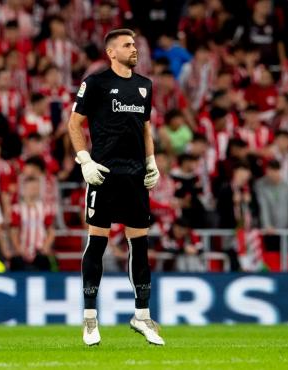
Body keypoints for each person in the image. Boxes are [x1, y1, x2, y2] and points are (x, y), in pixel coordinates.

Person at [67, 28, 164, 346]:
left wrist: (151, 162)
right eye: (127, 45)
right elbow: (74, 123)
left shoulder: (144, 86)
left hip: (136, 178)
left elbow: (145, 128)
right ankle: (90, 319)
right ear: (111, 52)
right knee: (97, 244)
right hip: (104, 174)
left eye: (135, 44)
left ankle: (142, 315)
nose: (134, 49)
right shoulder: (95, 82)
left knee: (141, 247)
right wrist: (85, 160)